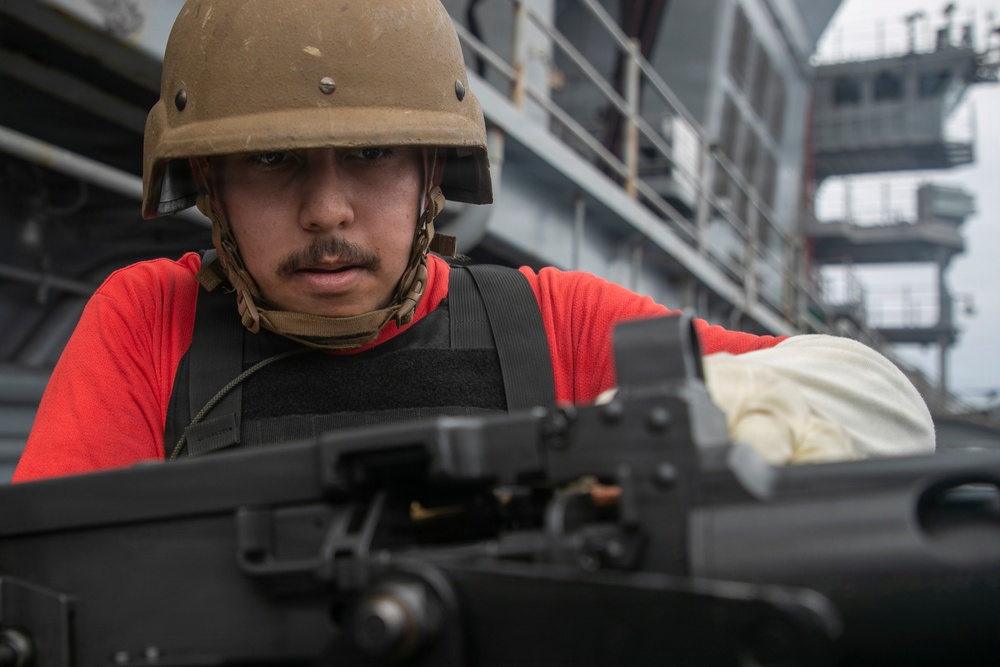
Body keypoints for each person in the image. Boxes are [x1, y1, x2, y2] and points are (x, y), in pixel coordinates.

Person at [12, 0, 934, 483]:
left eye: (371, 156)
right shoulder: (151, 322)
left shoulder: (550, 324)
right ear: (209, 185)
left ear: (429, 180)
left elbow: (882, 405)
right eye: (272, 159)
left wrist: (722, 426)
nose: (326, 210)